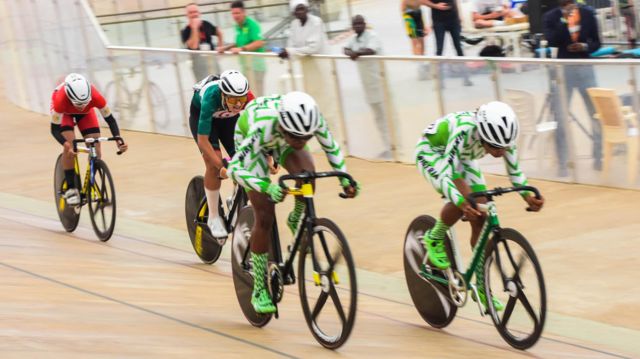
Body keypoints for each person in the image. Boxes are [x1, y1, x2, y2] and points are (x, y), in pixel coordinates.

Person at [227, 91, 359, 313]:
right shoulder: (263, 127)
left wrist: (344, 177)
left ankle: (297, 217)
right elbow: (234, 169)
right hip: (253, 141)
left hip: (279, 139)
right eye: (297, 137)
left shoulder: (311, 120)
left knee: (307, 174)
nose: (302, 142)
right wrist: (266, 186)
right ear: (284, 126)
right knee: (265, 215)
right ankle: (259, 288)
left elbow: (331, 147)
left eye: (307, 137)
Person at [414, 101, 544, 310]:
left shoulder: (503, 138)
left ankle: (482, 288)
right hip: (434, 153)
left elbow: (515, 172)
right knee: (465, 200)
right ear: (483, 135)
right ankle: (434, 237)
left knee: (481, 212)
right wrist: (460, 201)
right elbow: (448, 174)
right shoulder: (463, 130)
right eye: (494, 147)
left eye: (504, 147)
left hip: (464, 157)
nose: (501, 152)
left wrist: (528, 195)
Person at [189, 70, 255, 239]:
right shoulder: (211, 97)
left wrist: (269, 155)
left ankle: (235, 198)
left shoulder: (247, 98)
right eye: (233, 99)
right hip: (203, 119)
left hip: (228, 121)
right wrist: (221, 166)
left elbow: (259, 127)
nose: (238, 105)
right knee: (213, 166)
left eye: (241, 100)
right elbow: (203, 141)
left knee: (246, 160)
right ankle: (213, 217)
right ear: (223, 94)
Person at [543, 0, 602, 175]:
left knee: (595, 115)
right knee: (560, 118)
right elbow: (552, 40)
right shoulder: (551, 17)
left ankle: (598, 157)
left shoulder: (588, 13)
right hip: (563, 73)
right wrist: (563, 20)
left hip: (585, 69)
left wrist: (584, 46)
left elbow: (597, 42)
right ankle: (563, 163)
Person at [50, 73, 128, 205]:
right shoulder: (60, 100)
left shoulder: (96, 96)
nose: (81, 106)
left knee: (96, 148)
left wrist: (118, 139)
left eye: (84, 103)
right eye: (78, 104)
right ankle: (70, 189)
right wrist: (66, 145)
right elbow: (55, 130)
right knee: (70, 145)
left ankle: (91, 179)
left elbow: (111, 120)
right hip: (65, 113)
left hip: (87, 113)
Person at [277, 0, 345, 150]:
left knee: (328, 104)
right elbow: (292, 44)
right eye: (297, 9)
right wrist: (286, 51)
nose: (300, 12)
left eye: (302, 8)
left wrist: (291, 52)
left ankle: (335, 142)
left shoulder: (316, 22)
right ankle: (317, 142)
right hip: (307, 68)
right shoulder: (294, 25)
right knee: (313, 104)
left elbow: (313, 47)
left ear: (307, 8)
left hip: (321, 68)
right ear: (293, 12)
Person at [343, 15, 391, 157]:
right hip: (368, 86)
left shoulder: (372, 36)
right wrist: (351, 52)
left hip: (380, 82)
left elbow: (370, 50)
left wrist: (355, 53)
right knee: (378, 117)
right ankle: (387, 147)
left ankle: (395, 147)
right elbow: (345, 49)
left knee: (386, 115)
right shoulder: (354, 39)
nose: (358, 26)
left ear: (364, 24)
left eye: (360, 23)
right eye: (355, 24)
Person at [420, 0, 473, 86]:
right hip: (439, 21)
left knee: (459, 48)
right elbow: (422, 1)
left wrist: (460, 15)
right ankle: (439, 81)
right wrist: (435, 6)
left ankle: (466, 78)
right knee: (439, 50)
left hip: (453, 19)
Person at [220, 1, 267, 96]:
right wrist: (225, 48)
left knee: (257, 95)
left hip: (257, 67)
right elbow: (238, 43)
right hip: (246, 67)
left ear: (244, 12)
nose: (235, 16)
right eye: (233, 13)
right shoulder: (237, 26)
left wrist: (242, 49)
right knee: (247, 95)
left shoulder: (252, 24)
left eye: (237, 13)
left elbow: (259, 42)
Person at [181, 3, 224, 81]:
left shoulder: (206, 24)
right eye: (191, 12)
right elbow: (194, 46)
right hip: (198, 65)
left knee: (218, 84)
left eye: (195, 11)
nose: (194, 14)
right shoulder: (185, 31)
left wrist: (220, 46)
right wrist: (195, 28)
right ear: (187, 15)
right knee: (203, 87)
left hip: (212, 61)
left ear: (199, 13)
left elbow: (219, 32)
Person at [401, 0, 430, 79]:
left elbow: (422, 4)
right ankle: (419, 65)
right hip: (409, 16)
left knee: (422, 42)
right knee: (415, 42)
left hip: (418, 14)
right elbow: (403, 9)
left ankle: (422, 63)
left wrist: (424, 26)